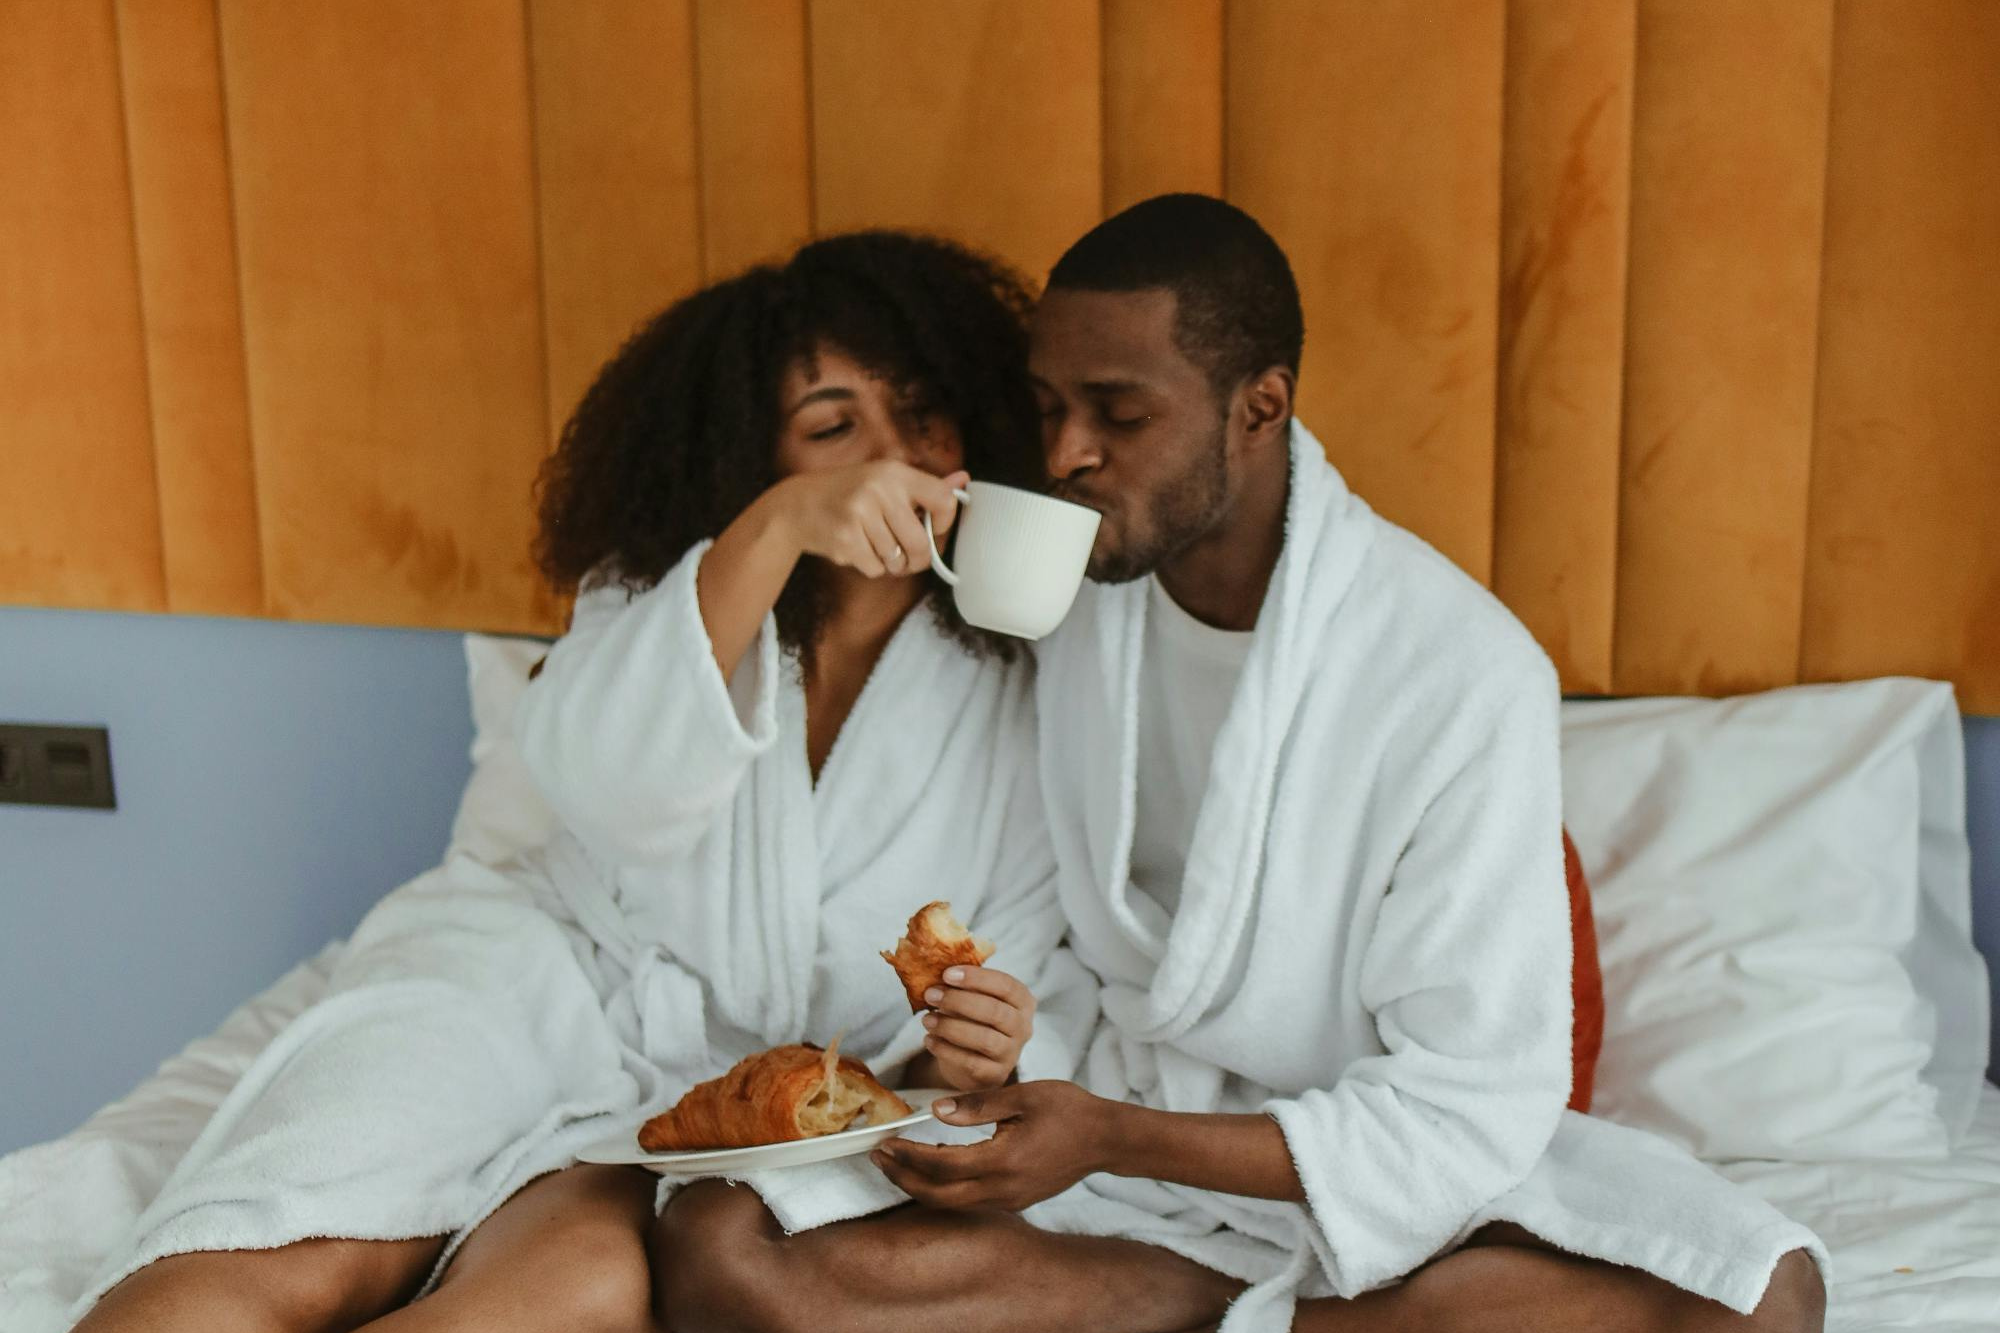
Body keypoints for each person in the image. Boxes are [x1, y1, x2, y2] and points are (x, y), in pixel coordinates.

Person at [650, 196, 1829, 1333]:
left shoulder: (1456, 671)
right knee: (714, 1246)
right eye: (1048, 404)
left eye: (1117, 414)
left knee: (1754, 1292)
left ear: (1258, 407)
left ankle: (1202, 1302)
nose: (1063, 454)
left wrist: (1111, 1135)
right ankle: (1226, 1306)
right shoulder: (1074, 606)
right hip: (1089, 1146)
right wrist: (1006, 1047)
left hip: (1338, 1176)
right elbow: (1037, 930)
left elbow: (1470, 1105)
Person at [70, 230, 1094, 1333]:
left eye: (919, 410)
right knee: (288, 1236)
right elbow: (609, 790)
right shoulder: (667, 592)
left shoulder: (1023, 687)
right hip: (529, 987)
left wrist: (966, 1043)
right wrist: (779, 527)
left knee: (571, 1295)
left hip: (730, 1100)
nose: (891, 457)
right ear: (751, 460)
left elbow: (1007, 966)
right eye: (831, 427)